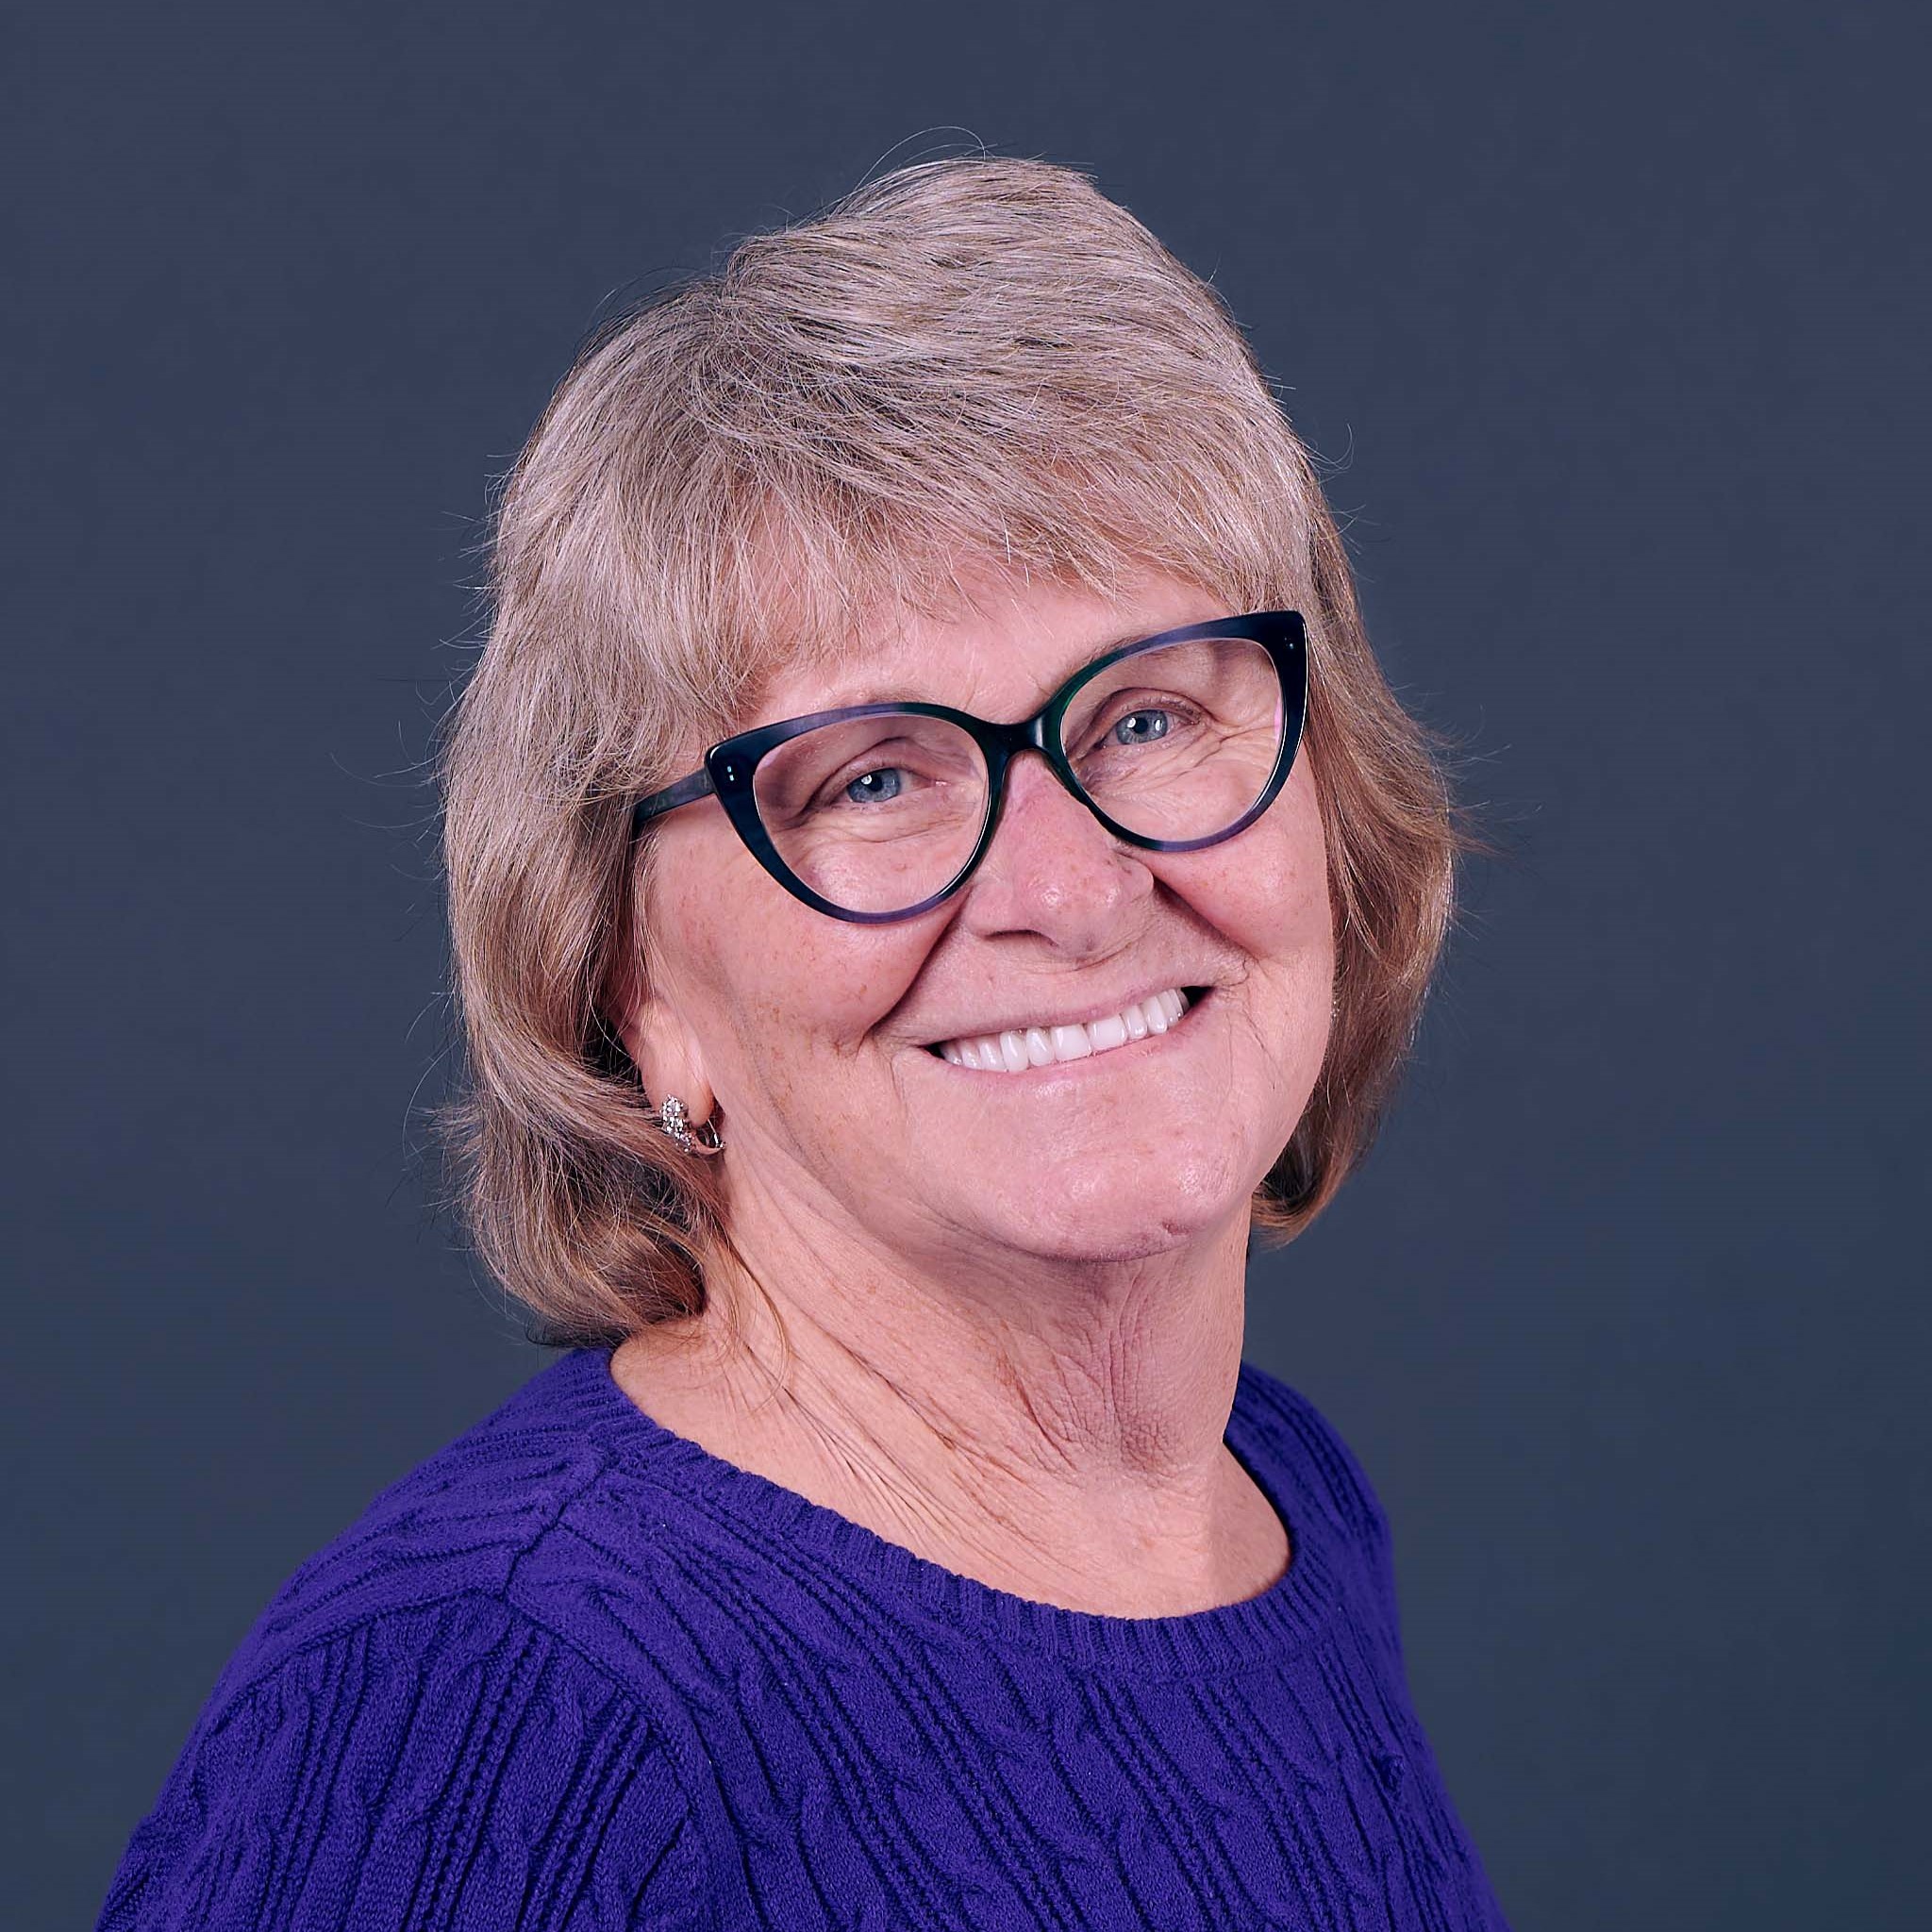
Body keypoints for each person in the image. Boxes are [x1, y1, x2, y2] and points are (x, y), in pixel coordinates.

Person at [96, 155, 1510, 1929]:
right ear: (632, 984)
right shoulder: (507, 1702)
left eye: (1149, 713)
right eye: (873, 780)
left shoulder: (1269, 1502)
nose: (1067, 889)